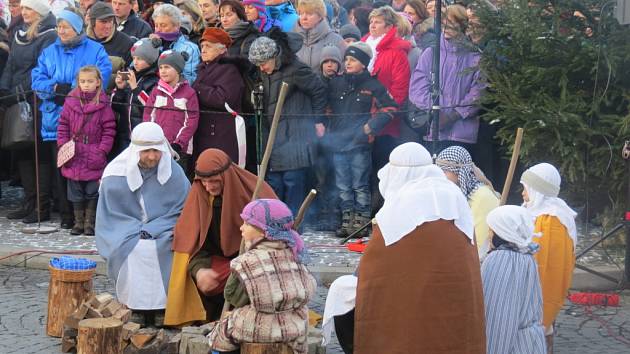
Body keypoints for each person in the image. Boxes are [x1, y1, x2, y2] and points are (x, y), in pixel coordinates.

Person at [354, 142, 486, 353]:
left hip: (410, 316)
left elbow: (373, 275)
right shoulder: (455, 198)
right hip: (455, 307)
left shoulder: (397, 209)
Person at [164, 148, 276, 325]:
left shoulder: (255, 193)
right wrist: (199, 270)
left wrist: (243, 264)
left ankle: (245, 318)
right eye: (204, 182)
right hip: (218, 262)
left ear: (226, 176)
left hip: (254, 262)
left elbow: (276, 241)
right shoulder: (201, 197)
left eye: (214, 181)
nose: (208, 187)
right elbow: (191, 244)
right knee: (193, 270)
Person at [96, 122, 190, 323]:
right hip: (124, 229)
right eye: (146, 151)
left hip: (165, 228)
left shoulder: (174, 173)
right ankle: (134, 306)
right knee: (136, 248)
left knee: (162, 246)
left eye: (156, 151)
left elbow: (183, 209)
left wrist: (154, 229)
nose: (152, 157)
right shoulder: (115, 174)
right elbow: (111, 215)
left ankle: (163, 308)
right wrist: (137, 231)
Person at [31, 8, 112, 229]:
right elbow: (37, 78)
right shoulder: (49, 52)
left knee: (87, 174)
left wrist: (74, 94)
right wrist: (54, 88)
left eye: (65, 26)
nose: (61, 31)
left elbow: (101, 76)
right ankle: (67, 216)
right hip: (56, 120)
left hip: (88, 123)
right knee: (63, 170)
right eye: (59, 26)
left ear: (77, 28)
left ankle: (88, 219)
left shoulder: (95, 50)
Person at [208, 198, 317, 354]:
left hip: (260, 327)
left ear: (263, 229)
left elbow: (233, 297)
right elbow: (309, 289)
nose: (241, 228)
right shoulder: (295, 252)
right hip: (295, 326)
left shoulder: (246, 262)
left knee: (223, 332)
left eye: (247, 223)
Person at [248, 30, 327, 215]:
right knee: (274, 182)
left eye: (264, 63)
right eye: (258, 65)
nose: (261, 68)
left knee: (293, 181)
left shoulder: (295, 69)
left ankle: (293, 224)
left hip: (295, 134)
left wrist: (318, 121)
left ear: (274, 56)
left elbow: (319, 91)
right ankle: (276, 220)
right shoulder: (265, 73)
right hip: (273, 135)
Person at [327, 42, 397, 238]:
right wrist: (327, 127)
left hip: (360, 143)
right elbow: (327, 107)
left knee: (360, 184)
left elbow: (390, 108)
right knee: (342, 185)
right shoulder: (336, 83)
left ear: (364, 63)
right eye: (346, 59)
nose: (348, 63)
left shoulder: (373, 86)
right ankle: (347, 220)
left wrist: (370, 127)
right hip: (338, 143)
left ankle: (362, 222)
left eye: (353, 60)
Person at [0, 0, 57, 223]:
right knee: (21, 149)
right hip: (16, 98)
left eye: (29, 9)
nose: (24, 13)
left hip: (36, 100)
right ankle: (29, 200)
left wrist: (18, 90)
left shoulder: (49, 35)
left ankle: (42, 205)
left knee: (38, 152)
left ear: (40, 12)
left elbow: (40, 69)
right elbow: (11, 65)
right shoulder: (20, 33)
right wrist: (5, 89)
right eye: (23, 8)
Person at [409, 4, 485, 154]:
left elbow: (478, 93)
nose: (448, 26)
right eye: (445, 22)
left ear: (463, 25)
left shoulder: (476, 57)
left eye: (453, 23)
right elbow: (417, 89)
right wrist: (435, 112)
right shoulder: (431, 53)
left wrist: (453, 115)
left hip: (462, 134)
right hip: (432, 131)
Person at [520, 162, 577, 352]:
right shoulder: (534, 210)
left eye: (525, 189)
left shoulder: (553, 219)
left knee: (542, 321)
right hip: (528, 281)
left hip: (541, 283)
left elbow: (548, 264)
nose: (522, 193)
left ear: (537, 190)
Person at [56, 66, 116, 236]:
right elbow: (63, 125)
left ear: (98, 82)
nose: (86, 85)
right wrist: (62, 144)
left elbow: (109, 129)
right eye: (83, 81)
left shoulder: (103, 103)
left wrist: (102, 150)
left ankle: (90, 222)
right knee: (75, 190)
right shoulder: (71, 100)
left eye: (90, 81)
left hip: (94, 151)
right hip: (74, 151)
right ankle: (78, 222)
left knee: (92, 190)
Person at [482, 205, 547, 354]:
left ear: (501, 233)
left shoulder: (502, 259)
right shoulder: (524, 255)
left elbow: (500, 319)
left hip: (515, 346)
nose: (488, 234)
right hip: (529, 344)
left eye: (491, 230)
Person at [192, 27, 244, 166]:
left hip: (221, 134)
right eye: (202, 46)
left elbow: (223, 99)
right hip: (205, 132)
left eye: (208, 46)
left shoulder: (229, 70)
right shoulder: (203, 68)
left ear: (222, 49)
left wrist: (198, 89)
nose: (203, 49)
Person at [436, 146, 499, 260]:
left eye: (445, 171)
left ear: (459, 172)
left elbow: (480, 243)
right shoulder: (457, 193)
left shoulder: (482, 196)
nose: (441, 177)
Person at [143, 49, 199, 171]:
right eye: (161, 67)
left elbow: (191, 121)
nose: (163, 71)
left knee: (176, 180)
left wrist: (178, 143)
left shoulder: (189, 93)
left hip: (179, 149)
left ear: (178, 69)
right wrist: (150, 137)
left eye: (167, 67)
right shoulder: (156, 91)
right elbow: (148, 114)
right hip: (156, 147)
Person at [111, 37, 161, 152]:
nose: (135, 62)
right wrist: (119, 89)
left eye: (140, 58)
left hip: (143, 136)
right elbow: (115, 106)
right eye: (134, 58)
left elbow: (150, 107)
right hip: (124, 134)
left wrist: (135, 88)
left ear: (150, 59)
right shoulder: (129, 73)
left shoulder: (155, 80)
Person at [87, 2, 136, 84]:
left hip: (112, 94)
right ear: (92, 22)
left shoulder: (126, 43)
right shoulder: (82, 42)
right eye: (103, 22)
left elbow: (130, 75)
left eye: (110, 21)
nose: (108, 26)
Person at [151, 3, 201, 83]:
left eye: (163, 25)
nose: (158, 30)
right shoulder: (151, 44)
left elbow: (191, 79)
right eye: (156, 25)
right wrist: (150, 48)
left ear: (177, 25)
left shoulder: (189, 48)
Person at [294, 0, 346, 73]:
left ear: (320, 16)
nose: (304, 18)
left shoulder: (336, 41)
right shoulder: (290, 39)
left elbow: (342, 72)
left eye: (309, 13)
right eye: (301, 13)